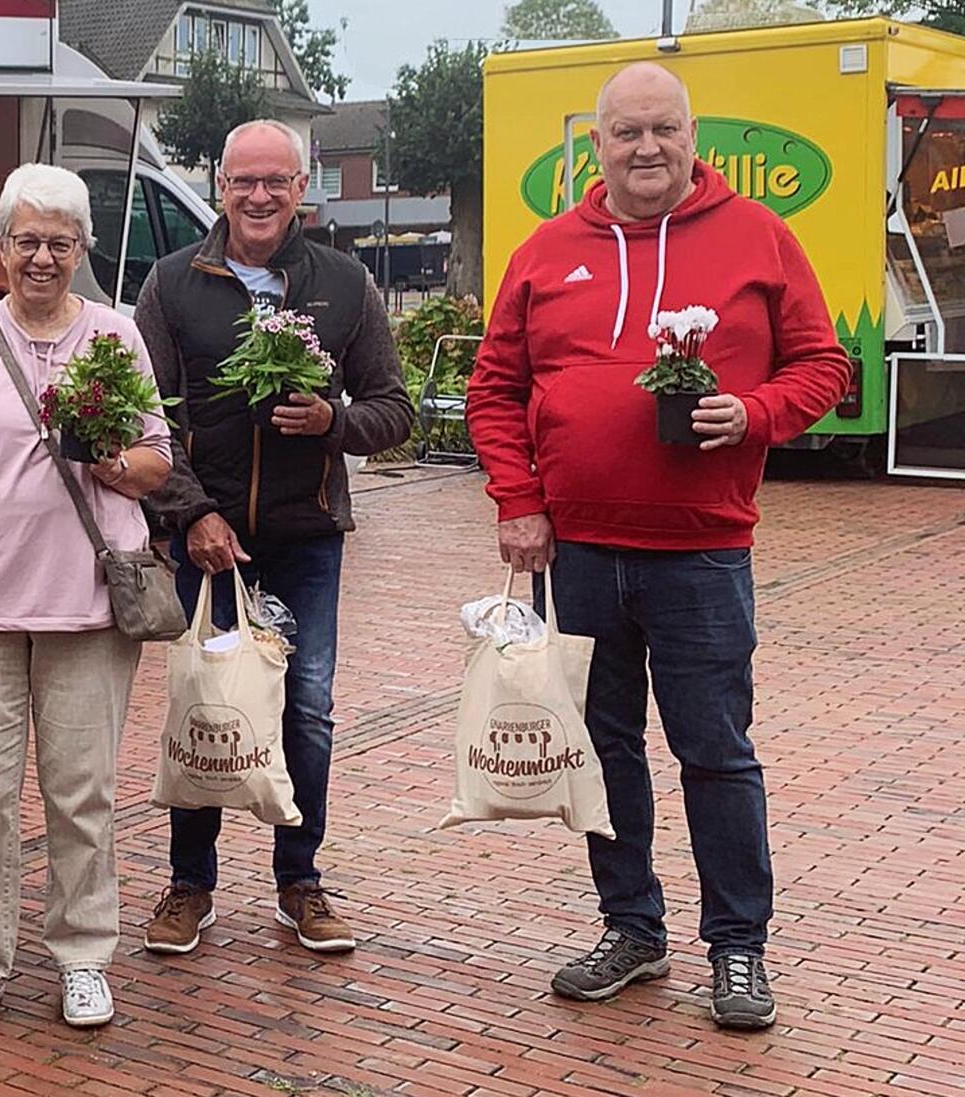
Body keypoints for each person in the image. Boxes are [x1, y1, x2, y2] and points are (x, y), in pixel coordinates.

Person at [467, 63, 849, 1031]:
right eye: (626, 132)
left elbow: (823, 364)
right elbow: (495, 387)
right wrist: (518, 497)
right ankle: (632, 927)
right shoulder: (549, 250)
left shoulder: (758, 237)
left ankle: (738, 946)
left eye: (663, 130)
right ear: (594, 146)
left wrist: (756, 412)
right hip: (579, 552)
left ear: (692, 140)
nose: (647, 148)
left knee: (715, 752)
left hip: (702, 553)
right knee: (602, 749)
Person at [135, 120, 411, 958]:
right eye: (242, 181)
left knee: (309, 711)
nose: (259, 197)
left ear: (303, 187)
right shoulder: (173, 282)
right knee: (204, 704)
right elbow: (147, 420)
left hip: (304, 538)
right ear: (220, 186)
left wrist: (334, 422)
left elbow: (392, 409)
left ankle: (300, 879)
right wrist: (193, 514)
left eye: (275, 182)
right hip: (205, 540)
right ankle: (191, 884)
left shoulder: (344, 282)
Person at [0, 163, 172, 1037]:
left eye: (61, 242)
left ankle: (85, 956)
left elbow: (155, 463)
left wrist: (110, 463)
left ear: (83, 249)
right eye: (27, 240)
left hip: (90, 607)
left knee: (82, 793)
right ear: (0, 246)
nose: (43, 257)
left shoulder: (117, 336)